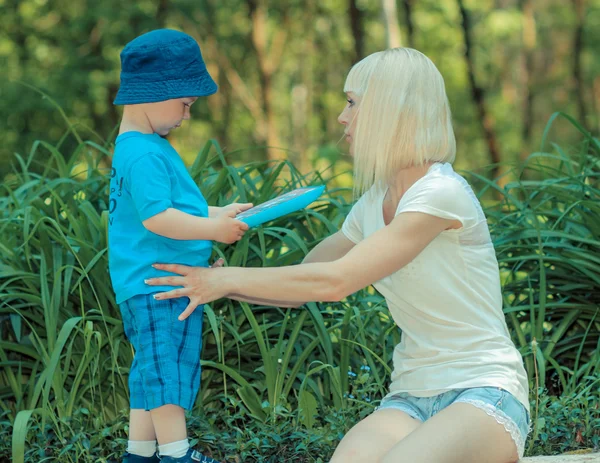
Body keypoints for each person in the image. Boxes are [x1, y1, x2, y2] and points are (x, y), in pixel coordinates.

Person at [145, 48, 531, 463]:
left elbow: (337, 281)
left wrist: (226, 280)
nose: (342, 117)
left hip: (484, 392)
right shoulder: (373, 203)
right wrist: (217, 283)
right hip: (409, 397)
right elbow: (305, 280)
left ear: (389, 108)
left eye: (352, 102)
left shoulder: (439, 194)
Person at [109, 29, 251, 463]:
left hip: (161, 281)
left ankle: (141, 452)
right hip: (159, 284)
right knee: (165, 370)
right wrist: (213, 232)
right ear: (156, 94)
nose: (187, 115)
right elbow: (158, 219)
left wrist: (215, 214)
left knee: (151, 369)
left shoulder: (143, 147)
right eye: (185, 104)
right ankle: (176, 454)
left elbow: (173, 206)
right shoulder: (145, 154)